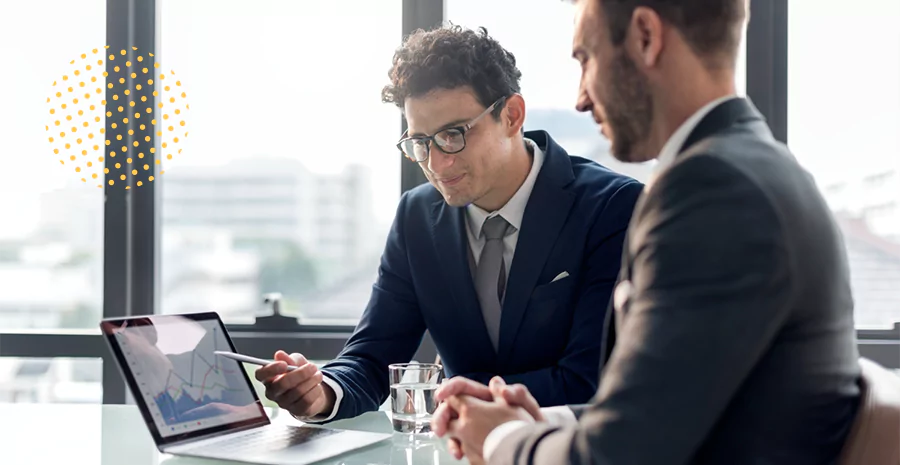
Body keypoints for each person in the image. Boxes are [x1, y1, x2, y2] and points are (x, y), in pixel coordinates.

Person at [431, 1, 862, 464]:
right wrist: (538, 420)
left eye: (586, 59)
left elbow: (622, 456)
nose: (581, 98)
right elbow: (668, 406)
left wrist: (498, 442)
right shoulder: (749, 168)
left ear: (645, 37)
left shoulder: (714, 191)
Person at [253, 25, 643, 424]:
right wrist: (321, 392)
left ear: (511, 115)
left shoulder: (612, 208)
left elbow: (589, 381)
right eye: (420, 142)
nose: (437, 165)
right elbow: (372, 357)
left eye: (453, 135)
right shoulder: (416, 217)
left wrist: (456, 399)